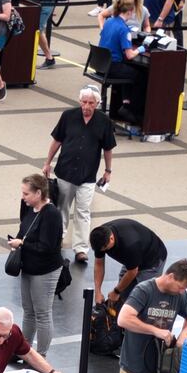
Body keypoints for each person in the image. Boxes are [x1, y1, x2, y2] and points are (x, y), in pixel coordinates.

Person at [43, 88, 116, 265]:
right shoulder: (68, 116)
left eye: (90, 103)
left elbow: (108, 148)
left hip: (88, 176)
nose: (86, 106)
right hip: (65, 172)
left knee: (83, 212)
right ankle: (57, 241)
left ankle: (81, 249)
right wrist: (47, 162)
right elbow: (57, 141)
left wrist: (108, 170)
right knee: (61, 209)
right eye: (83, 102)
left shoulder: (104, 122)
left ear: (97, 104)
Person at [117, 259, 187, 373]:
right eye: (180, 287)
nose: (182, 291)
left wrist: (184, 335)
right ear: (170, 277)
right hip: (134, 368)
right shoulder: (144, 290)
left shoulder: (179, 295)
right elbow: (123, 319)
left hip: (160, 368)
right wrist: (155, 331)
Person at [11, 175, 64, 353]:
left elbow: (47, 246)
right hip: (29, 266)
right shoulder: (28, 209)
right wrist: (17, 241)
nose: (23, 197)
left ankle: (41, 355)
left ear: (38, 193)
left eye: (26, 193)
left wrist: (22, 244)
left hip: (45, 270)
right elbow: (23, 230)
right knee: (28, 311)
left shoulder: (52, 215)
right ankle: (24, 351)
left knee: (42, 313)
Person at [90, 218, 167, 308]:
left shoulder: (129, 244)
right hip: (132, 258)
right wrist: (98, 291)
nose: (104, 251)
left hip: (152, 260)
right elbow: (99, 264)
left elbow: (132, 272)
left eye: (106, 249)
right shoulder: (100, 237)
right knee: (123, 294)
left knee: (144, 296)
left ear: (111, 238)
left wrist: (116, 291)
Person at [98, 3, 147, 133]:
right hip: (112, 67)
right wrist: (142, 48)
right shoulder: (123, 29)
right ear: (129, 12)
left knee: (128, 70)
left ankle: (125, 103)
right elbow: (130, 55)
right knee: (141, 76)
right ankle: (132, 110)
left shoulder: (108, 22)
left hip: (100, 64)